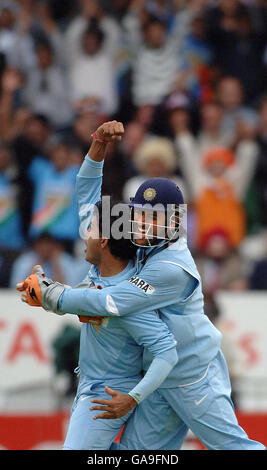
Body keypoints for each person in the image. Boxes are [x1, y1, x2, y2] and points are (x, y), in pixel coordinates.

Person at [18, 120, 265, 450]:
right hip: (153, 377)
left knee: (234, 447)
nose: (143, 223)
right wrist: (97, 146)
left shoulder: (173, 268)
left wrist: (50, 294)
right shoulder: (132, 245)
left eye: (154, 217)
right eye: (139, 215)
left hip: (192, 376)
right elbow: (87, 197)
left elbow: (110, 302)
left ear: (175, 220)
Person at [16, 120, 178, 450]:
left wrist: (131, 399)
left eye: (90, 234)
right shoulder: (104, 255)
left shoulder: (130, 299)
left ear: (103, 241)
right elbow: (86, 187)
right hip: (90, 382)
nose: (83, 237)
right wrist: (98, 143)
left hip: (108, 393)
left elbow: (166, 352)